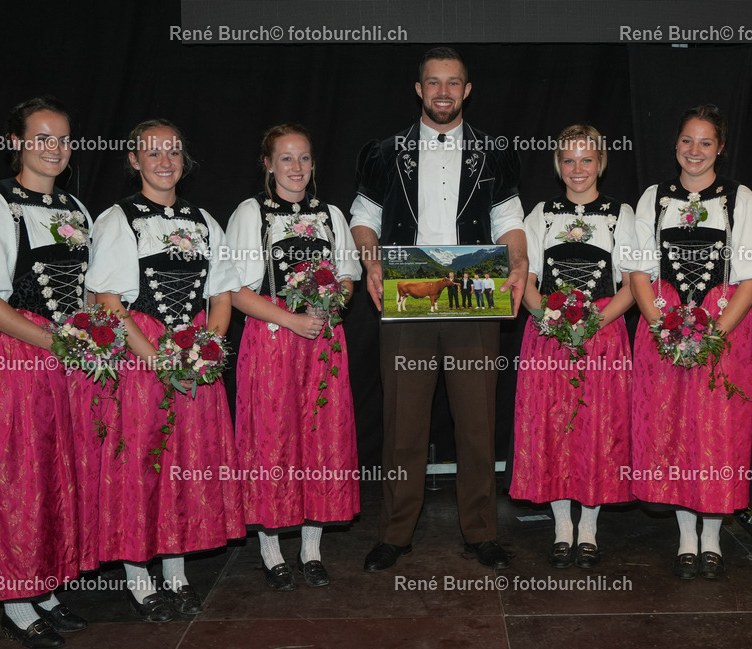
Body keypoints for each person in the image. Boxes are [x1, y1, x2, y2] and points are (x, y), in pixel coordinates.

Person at [351, 46, 528, 571]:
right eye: (434, 83)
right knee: (403, 421)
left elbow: (509, 221)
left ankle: (481, 531)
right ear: (419, 88)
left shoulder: (494, 152)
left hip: (476, 288)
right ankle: (395, 532)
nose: (443, 92)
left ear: (467, 90)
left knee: (477, 422)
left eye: (453, 83)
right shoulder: (384, 152)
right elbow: (363, 216)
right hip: (406, 288)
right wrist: (371, 259)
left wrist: (518, 264)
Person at [87, 120, 245, 620]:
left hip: (193, 349)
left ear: (184, 160)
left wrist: (211, 347)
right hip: (142, 352)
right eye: (151, 152)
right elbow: (108, 300)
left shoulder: (203, 220)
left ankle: (175, 575)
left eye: (173, 151)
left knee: (187, 462)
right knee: (139, 463)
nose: (163, 160)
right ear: (133, 160)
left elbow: (221, 292)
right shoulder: (119, 219)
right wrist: (153, 356)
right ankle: (139, 579)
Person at [0, 96, 91, 649]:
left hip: (67, 358)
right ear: (17, 143)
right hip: (19, 355)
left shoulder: (74, 208)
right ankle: (15, 600)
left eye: (62, 138)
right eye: (42, 138)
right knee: (17, 473)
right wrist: (52, 339)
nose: (54, 148)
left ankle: (46, 587)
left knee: (58, 472)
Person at [625, 105, 752, 580]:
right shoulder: (654, 197)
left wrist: (711, 335)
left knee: (716, 433)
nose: (695, 151)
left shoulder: (739, 198)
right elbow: (638, 270)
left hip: (722, 330)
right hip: (663, 326)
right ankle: (686, 536)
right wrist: (660, 324)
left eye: (705, 142)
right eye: (687, 141)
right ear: (675, 145)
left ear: (720, 148)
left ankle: (712, 537)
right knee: (673, 431)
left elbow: (751, 279)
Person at [225, 123, 361, 590]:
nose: (296, 167)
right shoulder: (251, 212)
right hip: (273, 340)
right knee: (273, 441)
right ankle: (271, 549)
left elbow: (347, 276)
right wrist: (291, 320)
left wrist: (331, 303)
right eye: (286, 158)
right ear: (268, 164)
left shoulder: (330, 213)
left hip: (322, 341)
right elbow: (236, 292)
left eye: (303, 158)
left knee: (321, 439)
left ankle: (311, 548)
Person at [511, 124, 637, 569]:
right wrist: (551, 318)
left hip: (603, 336)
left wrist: (593, 323)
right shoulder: (540, 213)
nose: (577, 168)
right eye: (568, 160)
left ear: (601, 162)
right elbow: (524, 277)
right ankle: (562, 526)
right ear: (557, 165)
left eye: (587, 159)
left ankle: (589, 528)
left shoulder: (621, 213)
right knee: (554, 428)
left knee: (597, 430)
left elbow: (633, 283)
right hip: (549, 335)